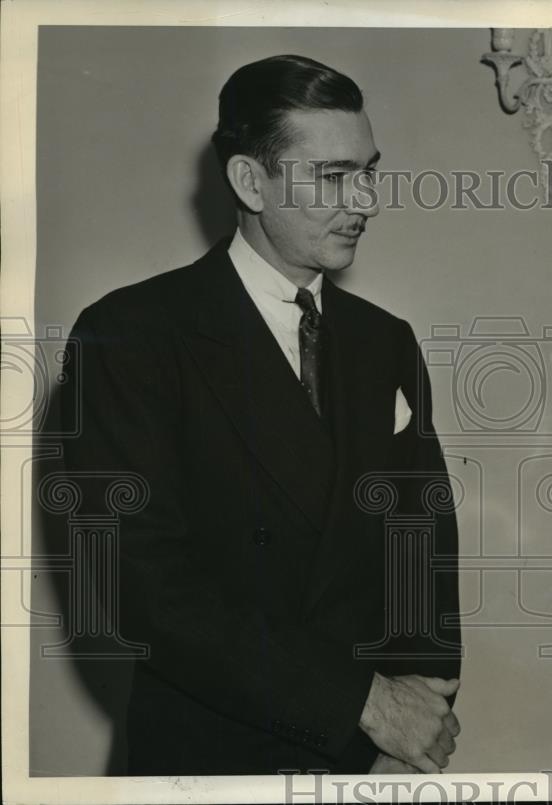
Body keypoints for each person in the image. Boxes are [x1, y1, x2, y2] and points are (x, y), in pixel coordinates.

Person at [61, 54, 462, 776]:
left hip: (365, 764)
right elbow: (136, 587)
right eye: (335, 177)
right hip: (209, 759)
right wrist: (360, 702)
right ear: (249, 180)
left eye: (369, 171)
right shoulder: (129, 334)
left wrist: (418, 717)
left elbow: (423, 546)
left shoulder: (385, 341)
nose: (366, 200)